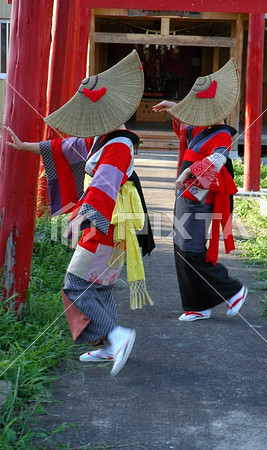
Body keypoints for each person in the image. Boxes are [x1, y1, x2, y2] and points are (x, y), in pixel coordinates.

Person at [5, 50, 155, 376]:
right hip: (114, 226)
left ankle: (116, 336)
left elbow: (104, 187)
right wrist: (24, 147)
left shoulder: (117, 145)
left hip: (106, 225)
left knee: (75, 286)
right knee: (98, 288)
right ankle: (107, 345)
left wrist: (80, 220)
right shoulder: (104, 139)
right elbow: (63, 148)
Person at [152, 58, 247, 322]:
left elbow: (218, 161)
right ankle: (197, 305)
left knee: (192, 249)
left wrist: (189, 171)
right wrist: (174, 106)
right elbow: (186, 119)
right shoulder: (199, 128)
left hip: (200, 197)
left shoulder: (223, 134)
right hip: (185, 195)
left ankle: (233, 289)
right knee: (181, 248)